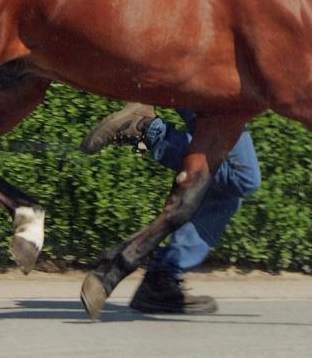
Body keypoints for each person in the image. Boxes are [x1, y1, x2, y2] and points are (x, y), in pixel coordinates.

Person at [80, 103, 261, 314]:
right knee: (242, 177)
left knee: (225, 192)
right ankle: (146, 129)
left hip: (220, 85)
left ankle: (161, 280)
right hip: (216, 84)